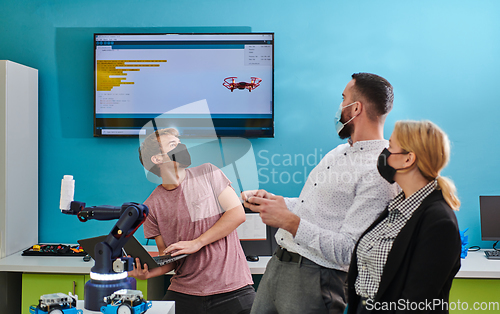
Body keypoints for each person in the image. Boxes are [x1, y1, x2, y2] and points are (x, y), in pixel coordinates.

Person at [242, 73, 400, 314]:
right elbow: (313, 208)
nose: (339, 107)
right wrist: (278, 202)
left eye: (343, 98)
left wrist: (289, 222)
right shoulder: (337, 153)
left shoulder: (379, 171)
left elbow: (351, 251)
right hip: (278, 266)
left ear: (356, 108)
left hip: (316, 278)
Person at [129, 127, 256, 314]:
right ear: (157, 159)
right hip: (184, 293)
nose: (181, 146)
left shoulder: (209, 173)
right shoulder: (151, 206)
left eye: (179, 143)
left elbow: (237, 213)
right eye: (173, 144)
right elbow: (169, 258)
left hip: (233, 289)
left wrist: (197, 243)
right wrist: (147, 273)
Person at [346, 120, 461, 314]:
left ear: (408, 159)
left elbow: (416, 301)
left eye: (390, 146)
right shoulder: (397, 207)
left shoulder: (439, 222)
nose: (383, 153)